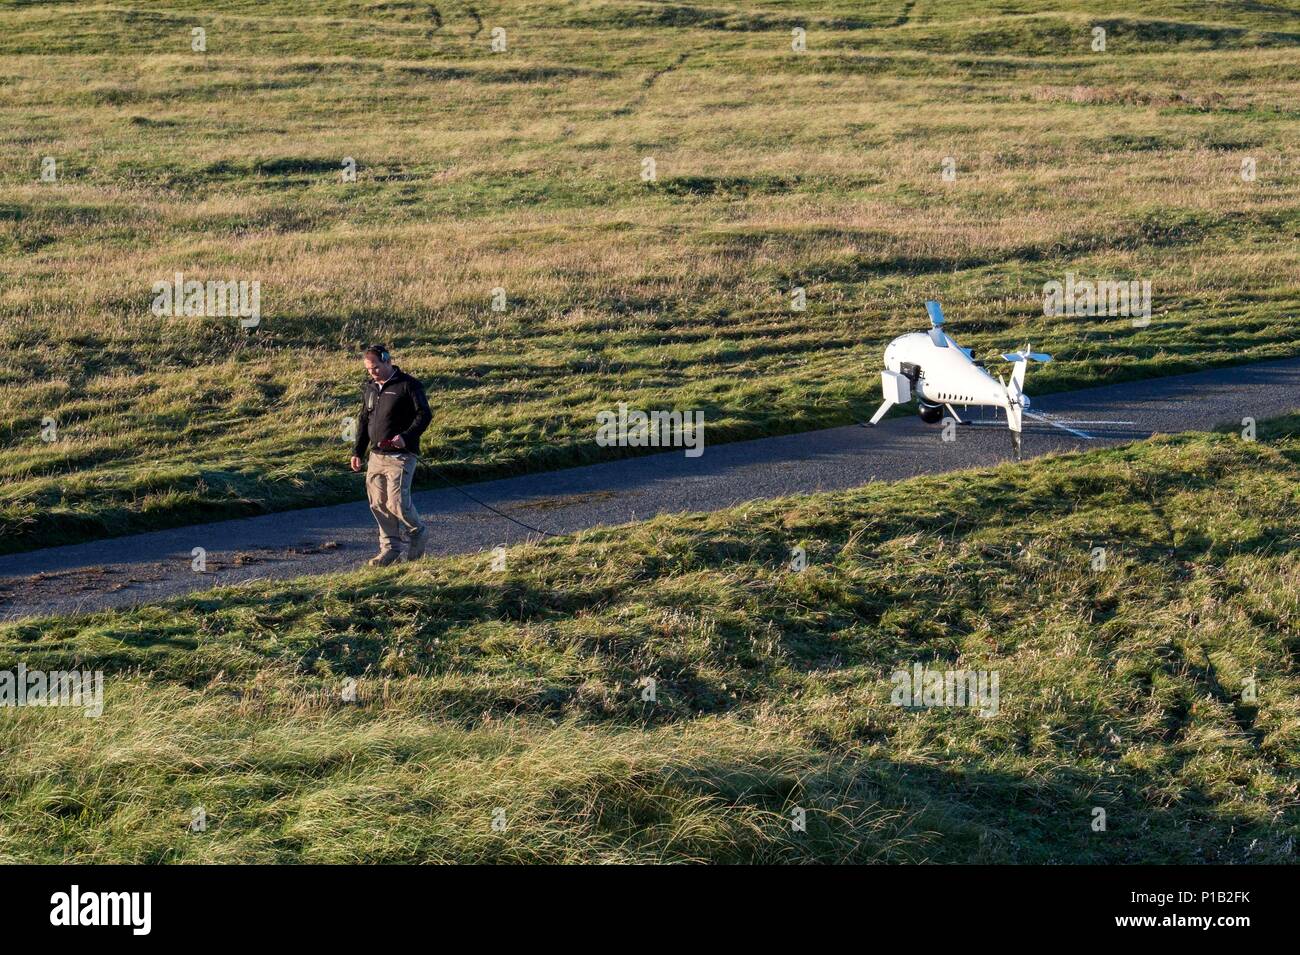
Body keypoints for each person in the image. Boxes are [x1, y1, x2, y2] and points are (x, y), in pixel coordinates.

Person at [350, 345, 432, 565]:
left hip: (401, 455)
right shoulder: (369, 388)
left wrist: (406, 436)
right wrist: (358, 451)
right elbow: (364, 420)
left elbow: (424, 414)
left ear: (387, 360)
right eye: (368, 369)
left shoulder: (409, 385)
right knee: (378, 503)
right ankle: (390, 550)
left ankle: (418, 533)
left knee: (397, 502)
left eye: (375, 367)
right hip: (376, 455)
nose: (372, 372)